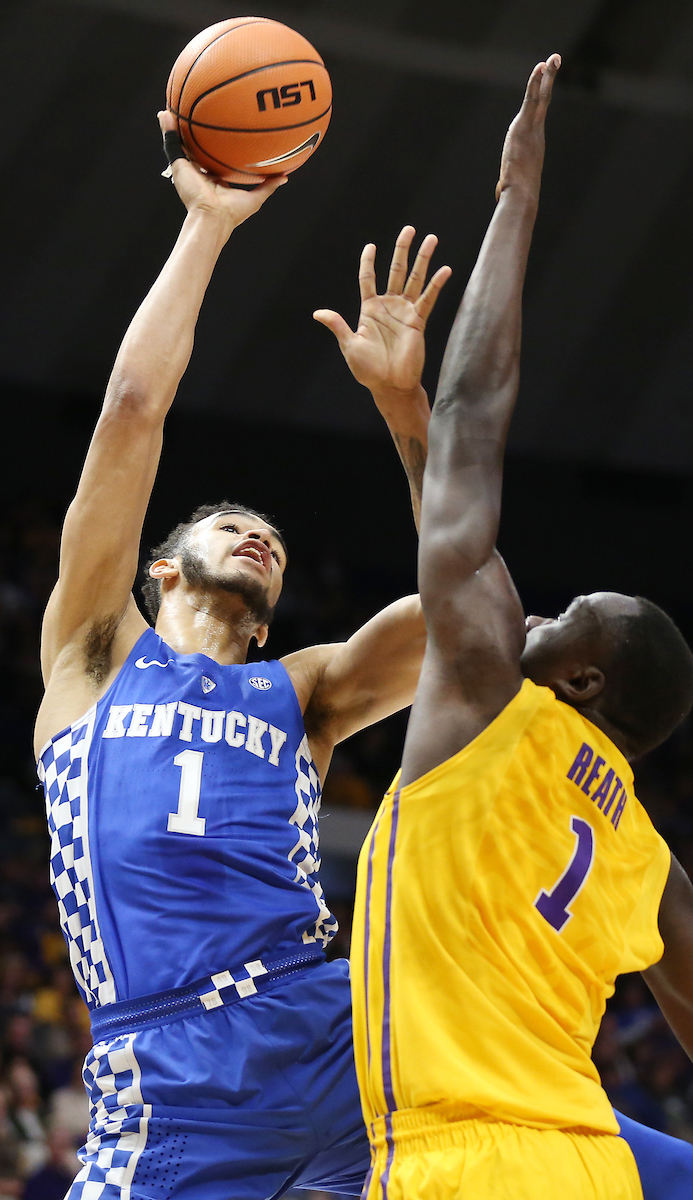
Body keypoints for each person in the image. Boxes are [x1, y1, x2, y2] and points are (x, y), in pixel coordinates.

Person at [350, 56, 693, 1200]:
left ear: (584, 680)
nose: (537, 611)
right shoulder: (647, 860)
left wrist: (515, 199)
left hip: (462, 1165)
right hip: (590, 1167)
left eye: (564, 618)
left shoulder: (490, 702)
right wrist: (403, 415)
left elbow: (474, 418)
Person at [34, 113, 449, 1199]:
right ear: (160, 570)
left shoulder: (300, 688)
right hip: (172, 1067)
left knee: (627, 1170)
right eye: (227, 525)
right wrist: (207, 225)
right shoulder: (95, 654)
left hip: (332, 1028)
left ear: (267, 623)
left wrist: (403, 405)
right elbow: (133, 412)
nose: (256, 534)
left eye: (270, 538)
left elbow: (467, 606)